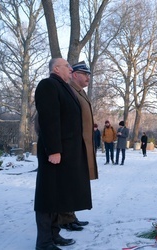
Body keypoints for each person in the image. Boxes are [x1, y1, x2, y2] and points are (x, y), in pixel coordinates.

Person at [34, 58, 92, 250]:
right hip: (54, 153)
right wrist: (54, 150)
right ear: (56, 69)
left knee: (58, 196)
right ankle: (44, 242)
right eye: (67, 66)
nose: (70, 68)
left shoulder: (63, 87)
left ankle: (54, 234)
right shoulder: (48, 85)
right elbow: (49, 120)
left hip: (66, 154)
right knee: (48, 196)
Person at [57, 61, 99, 232]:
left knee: (75, 182)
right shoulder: (69, 91)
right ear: (74, 75)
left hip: (82, 146)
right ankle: (64, 218)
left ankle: (71, 215)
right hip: (73, 147)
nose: (88, 77)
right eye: (85, 74)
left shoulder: (79, 92)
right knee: (68, 182)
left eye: (88, 74)